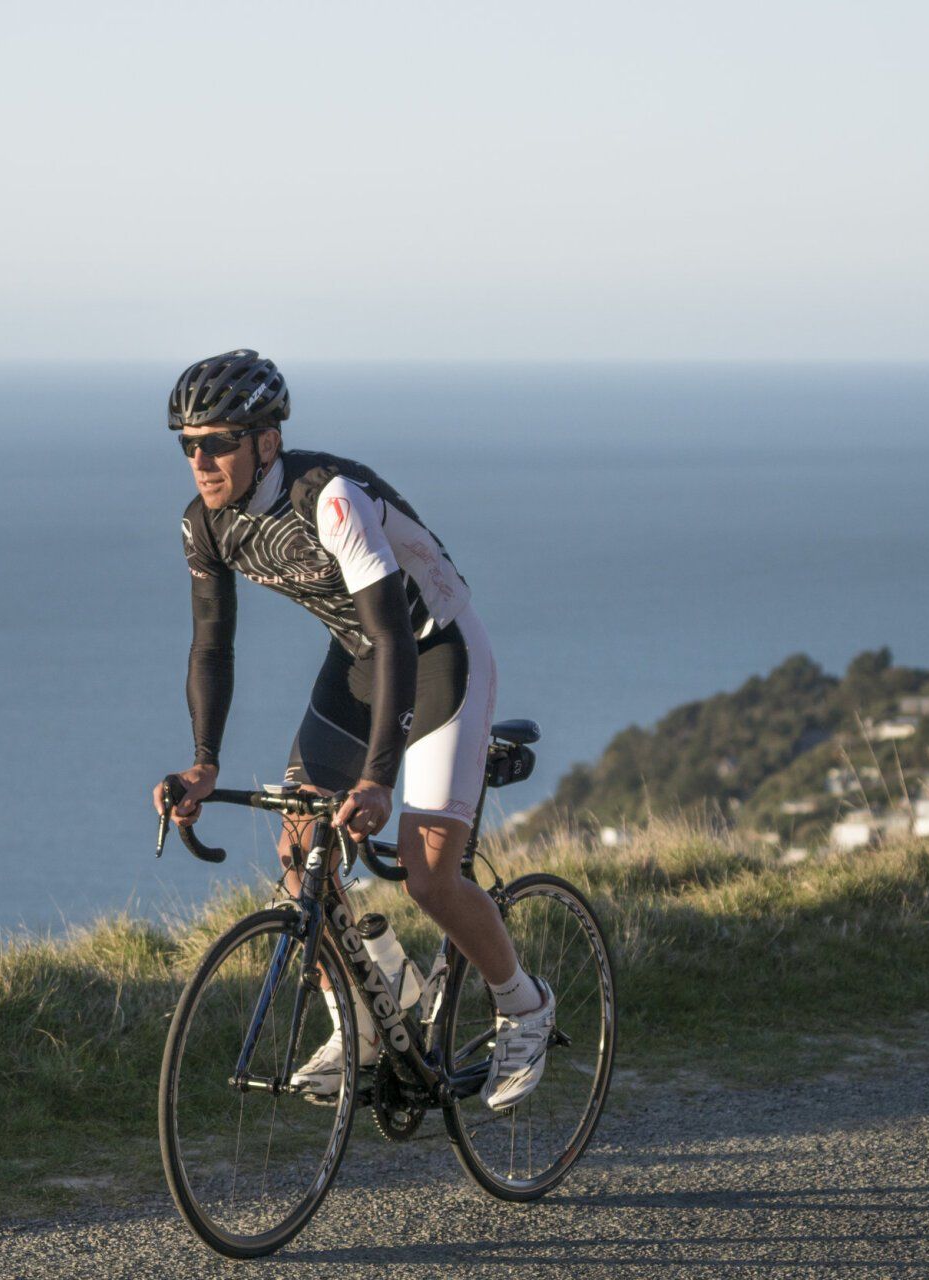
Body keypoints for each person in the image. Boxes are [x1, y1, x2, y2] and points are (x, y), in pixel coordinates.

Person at [149, 349, 551, 1111]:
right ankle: (365, 1017)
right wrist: (204, 762)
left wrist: (378, 778)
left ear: (267, 440)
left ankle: (524, 1004)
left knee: (430, 874)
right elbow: (211, 643)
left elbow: (398, 637)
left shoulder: (328, 498)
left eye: (219, 442)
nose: (201, 460)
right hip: (360, 663)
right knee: (300, 855)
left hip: (436, 654)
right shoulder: (205, 524)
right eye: (188, 444)